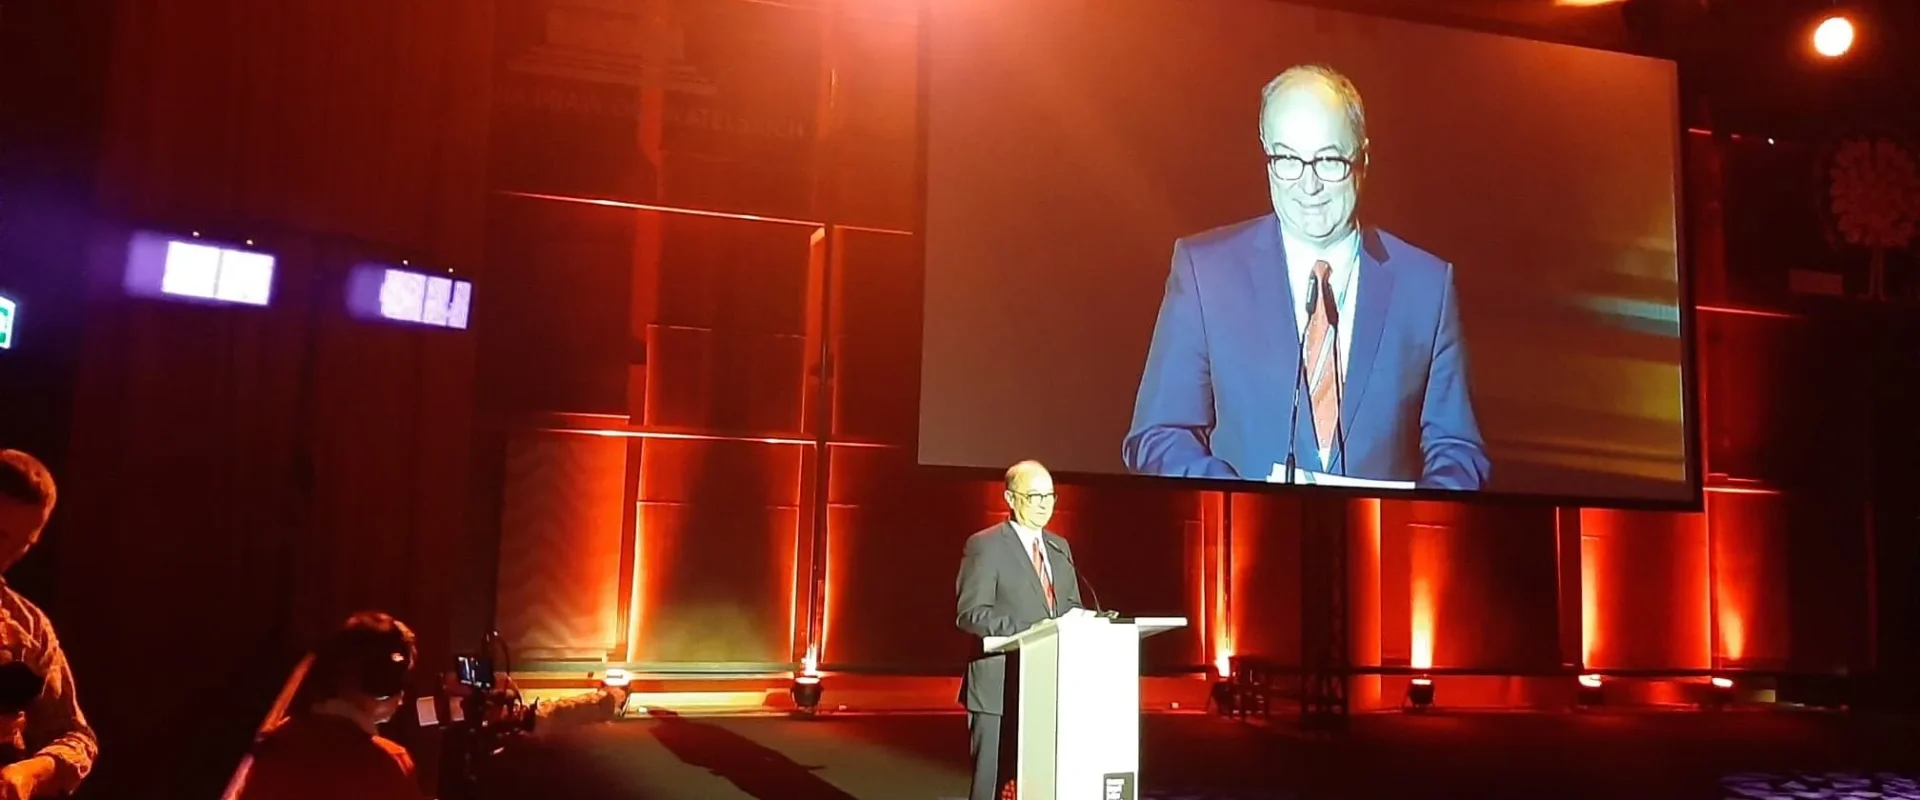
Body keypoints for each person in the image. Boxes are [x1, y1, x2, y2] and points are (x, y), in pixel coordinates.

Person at [1123, 64, 1489, 490]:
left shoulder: (1426, 287)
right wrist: (1242, 501)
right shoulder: (1206, 272)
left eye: (1329, 160)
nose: (1308, 184)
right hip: (1242, 531)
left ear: (1362, 158)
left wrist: (1405, 519)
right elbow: (1159, 435)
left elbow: (1459, 451)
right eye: (1287, 160)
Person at [955, 460, 1091, 800]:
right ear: (1010, 498)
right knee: (992, 784)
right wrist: (1032, 630)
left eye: (1050, 496)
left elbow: (1070, 607)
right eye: (1034, 496)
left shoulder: (1059, 547)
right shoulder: (986, 545)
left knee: (1040, 782)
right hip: (998, 687)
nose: (1044, 505)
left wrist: (1081, 621)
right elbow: (970, 613)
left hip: (1048, 686)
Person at [237, 611, 428, 800]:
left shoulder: (272, 745)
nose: (402, 698)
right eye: (400, 680)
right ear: (384, 681)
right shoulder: (387, 763)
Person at [0, 450, 98, 800]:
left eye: (21, 545)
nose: (4, 558)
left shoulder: (29, 626)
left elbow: (76, 737)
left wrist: (28, 774)